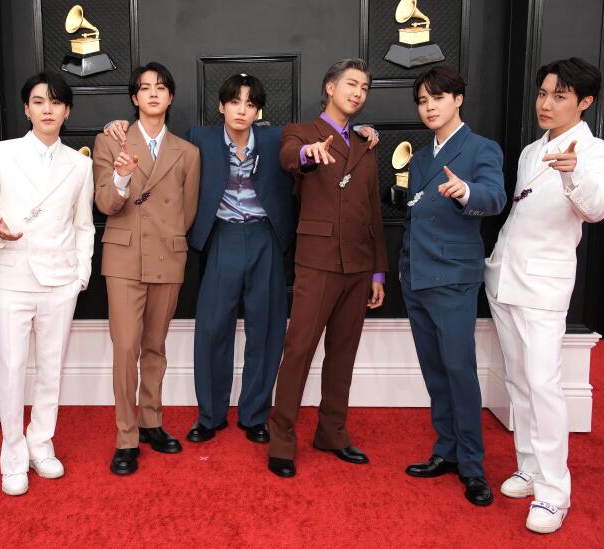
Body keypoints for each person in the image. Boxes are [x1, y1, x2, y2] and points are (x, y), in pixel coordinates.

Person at [103, 77, 378, 446]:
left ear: (258, 111)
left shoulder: (274, 137)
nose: (241, 110)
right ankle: (210, 415)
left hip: (266, 237)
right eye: (234, 102)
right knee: (212, 330)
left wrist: (360, 130)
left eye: (250, 104)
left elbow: (314, 137)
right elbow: (154, 139)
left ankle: (254, 415)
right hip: (222, 237)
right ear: (222, 106)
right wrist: (114, 124)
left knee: (265, 332)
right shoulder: (198, 138)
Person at [485, 58, 604, 532]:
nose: (546, 103)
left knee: (544, 385)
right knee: (519, 381)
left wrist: (573, 172)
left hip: (544, 285)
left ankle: (554, 494)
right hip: (504, 278)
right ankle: (530, 466)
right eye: (543, 93)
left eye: (559, 96)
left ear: (584, 102)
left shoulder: (598, 152)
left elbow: (598, 209)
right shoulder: (527, 151)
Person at [0, 71, 94, 496]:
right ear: (26, 109)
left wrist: (81, 275)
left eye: (55, 102)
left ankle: (42, 444)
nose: (47, 109)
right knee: (11, 368)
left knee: (51, 369)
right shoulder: (0, 154)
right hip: (12, 277)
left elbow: (84, 225)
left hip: (60, 281)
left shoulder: (80, 164)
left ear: (66, 111)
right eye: (39, 101)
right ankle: (13, 455)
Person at [267, 58, 388, 478]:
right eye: (351, 84)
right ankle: (281, 439)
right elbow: (288, 157)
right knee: (298, 349)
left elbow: (373, 211)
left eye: (365, 88)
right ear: (330, 88)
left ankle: (332, 433)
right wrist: (306, 154)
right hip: (316, 261)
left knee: (343, 353)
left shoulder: (366, 144)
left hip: (358, 265)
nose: (358, 92)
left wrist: (377, 272)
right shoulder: (301, 133)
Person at [399, 65, 506, 506]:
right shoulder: (421, 158)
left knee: (459, 371)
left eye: (437, 98)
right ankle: (445, 451)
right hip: (417, 277)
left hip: (454, 279)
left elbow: (495, 197)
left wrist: (465, 192)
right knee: (435, 372)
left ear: (458, 99)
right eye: (423, 101)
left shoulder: (481, 149)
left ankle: (473, 467)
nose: (429, 107)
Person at [92, 62, 200, 475]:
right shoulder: (111, 141)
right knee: (126, 349)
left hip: (167, 255)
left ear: (170, 98)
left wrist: (166, 237)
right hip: (122, 257)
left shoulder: (188, 153)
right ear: (134, 98)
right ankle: (126, 436)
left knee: (155, 347)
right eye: (144, 88)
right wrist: (121, 180)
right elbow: (105, 203)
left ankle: (152, 421)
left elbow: (187, 212)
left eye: (161, 88)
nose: (153, 94)